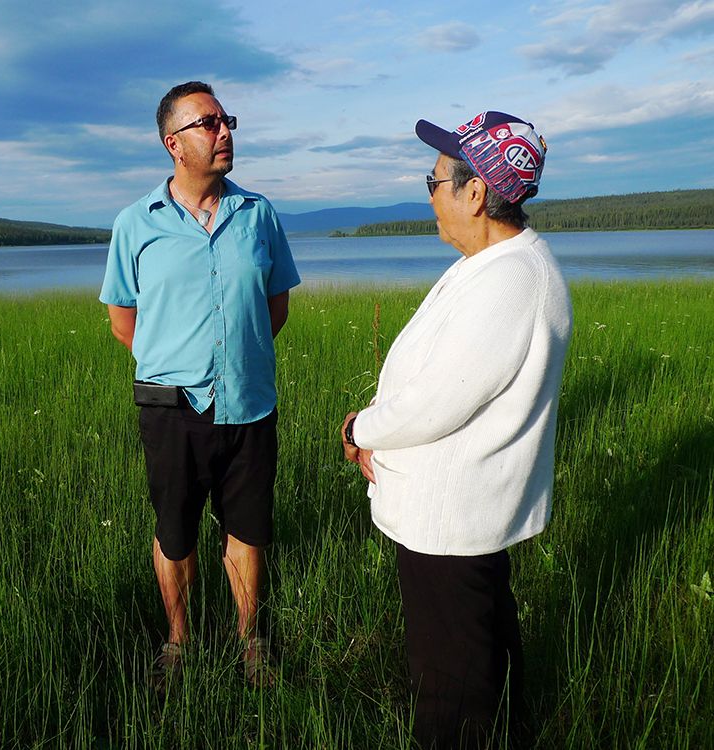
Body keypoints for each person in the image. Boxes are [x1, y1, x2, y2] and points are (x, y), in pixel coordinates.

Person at [340, 111, 572, 748]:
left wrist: (365, 428)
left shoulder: (509, 282)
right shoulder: (498, 266)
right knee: (484, 649)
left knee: (451, 685)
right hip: (463, 516)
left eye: (434, 179)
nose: (430, 191)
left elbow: (441, 401)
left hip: (451, 522)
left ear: (475, 193)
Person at [99, 81, 300, 689]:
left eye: (227, 120)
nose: (225, 133)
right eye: (209, 124)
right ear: (173, 144)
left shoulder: (258, 214)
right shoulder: (136, 224)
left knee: (247, 528)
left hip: (248, 401)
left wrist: (235, 360)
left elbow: (276, 307)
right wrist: (176, 362)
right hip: (170, 407)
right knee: (175, 529)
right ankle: (178, 642)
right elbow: (122, 319)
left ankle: (250, 643)